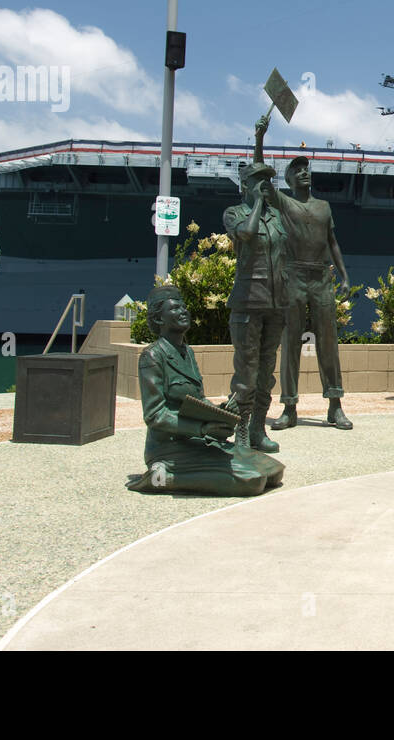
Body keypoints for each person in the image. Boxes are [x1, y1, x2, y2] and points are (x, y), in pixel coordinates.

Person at [128, 285, 284, 496]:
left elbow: (198, 400)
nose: (183, 311)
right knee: (251, 482)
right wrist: (201, 429)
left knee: (273, 471)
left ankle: (177, 473)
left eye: (183, 306)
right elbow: (155, 415)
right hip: (169, 448)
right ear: (159, 320)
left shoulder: (187, 353)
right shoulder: (153, 357)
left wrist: (222, 413)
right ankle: (163, 477)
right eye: (174, 309)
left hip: (198, 442)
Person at [265, 136, 353, 432]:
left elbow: (333, 242)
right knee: (290, 343)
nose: (304, 172)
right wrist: (260, 139)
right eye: (297, 170)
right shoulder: (283, 202)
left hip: (321, 276)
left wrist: (344, 275)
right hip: (293, 276)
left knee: (328, 343)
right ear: (287, 179)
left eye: (306, 168)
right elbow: (260, 177)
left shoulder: (324, 207)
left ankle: (335, 405)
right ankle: (289, 407)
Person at [222, 115, 288, 453]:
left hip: (275, 304)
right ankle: (242, 431)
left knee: (266, 373)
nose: (266, 185)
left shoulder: (276, 218)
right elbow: (245, 236)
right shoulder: (234, 213)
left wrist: (261, 138)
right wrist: (258, 201)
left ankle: (260, 428)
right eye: (259, 183)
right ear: (246, 186)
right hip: (247, 303)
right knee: (245, 374)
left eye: (268, 183)